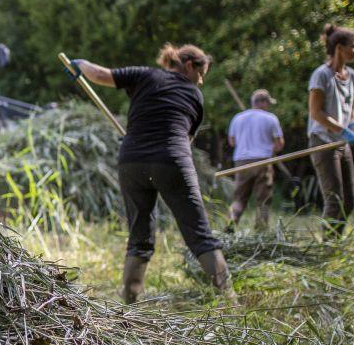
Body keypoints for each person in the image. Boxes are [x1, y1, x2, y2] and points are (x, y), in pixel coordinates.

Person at [66, 44, 231, 303]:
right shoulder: (194, 94)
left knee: (139, 236)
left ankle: (129, 302)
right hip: (171, 160)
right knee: (199, 235)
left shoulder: (144, 74)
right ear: (189, 66)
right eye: (201, 74)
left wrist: (79, 64)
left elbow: (99, 75)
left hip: (131, 162)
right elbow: (185, 140)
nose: (200, 81)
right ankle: (229, 299)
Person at [307, 24, 354, 237]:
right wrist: (343, 130)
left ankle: (335, 243)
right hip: (323, 141)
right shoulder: (321, 75)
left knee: (349, 201)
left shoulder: (352, 76)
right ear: (339, 47)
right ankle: (329, 250)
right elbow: (316, 113)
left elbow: (349, 108)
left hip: (342, 142)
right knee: (335, 200)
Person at [226, 89, 285, 231]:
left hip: (241, 162)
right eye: (268, 103)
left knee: (239, 198)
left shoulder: (238, 118)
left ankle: (230, 224)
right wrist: (270, 147)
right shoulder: (270, 118)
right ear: (263, 102)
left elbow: (232, 142)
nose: (268, 106)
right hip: (262, 161)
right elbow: (279, 145)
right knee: (263, 199)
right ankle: (261, 231)